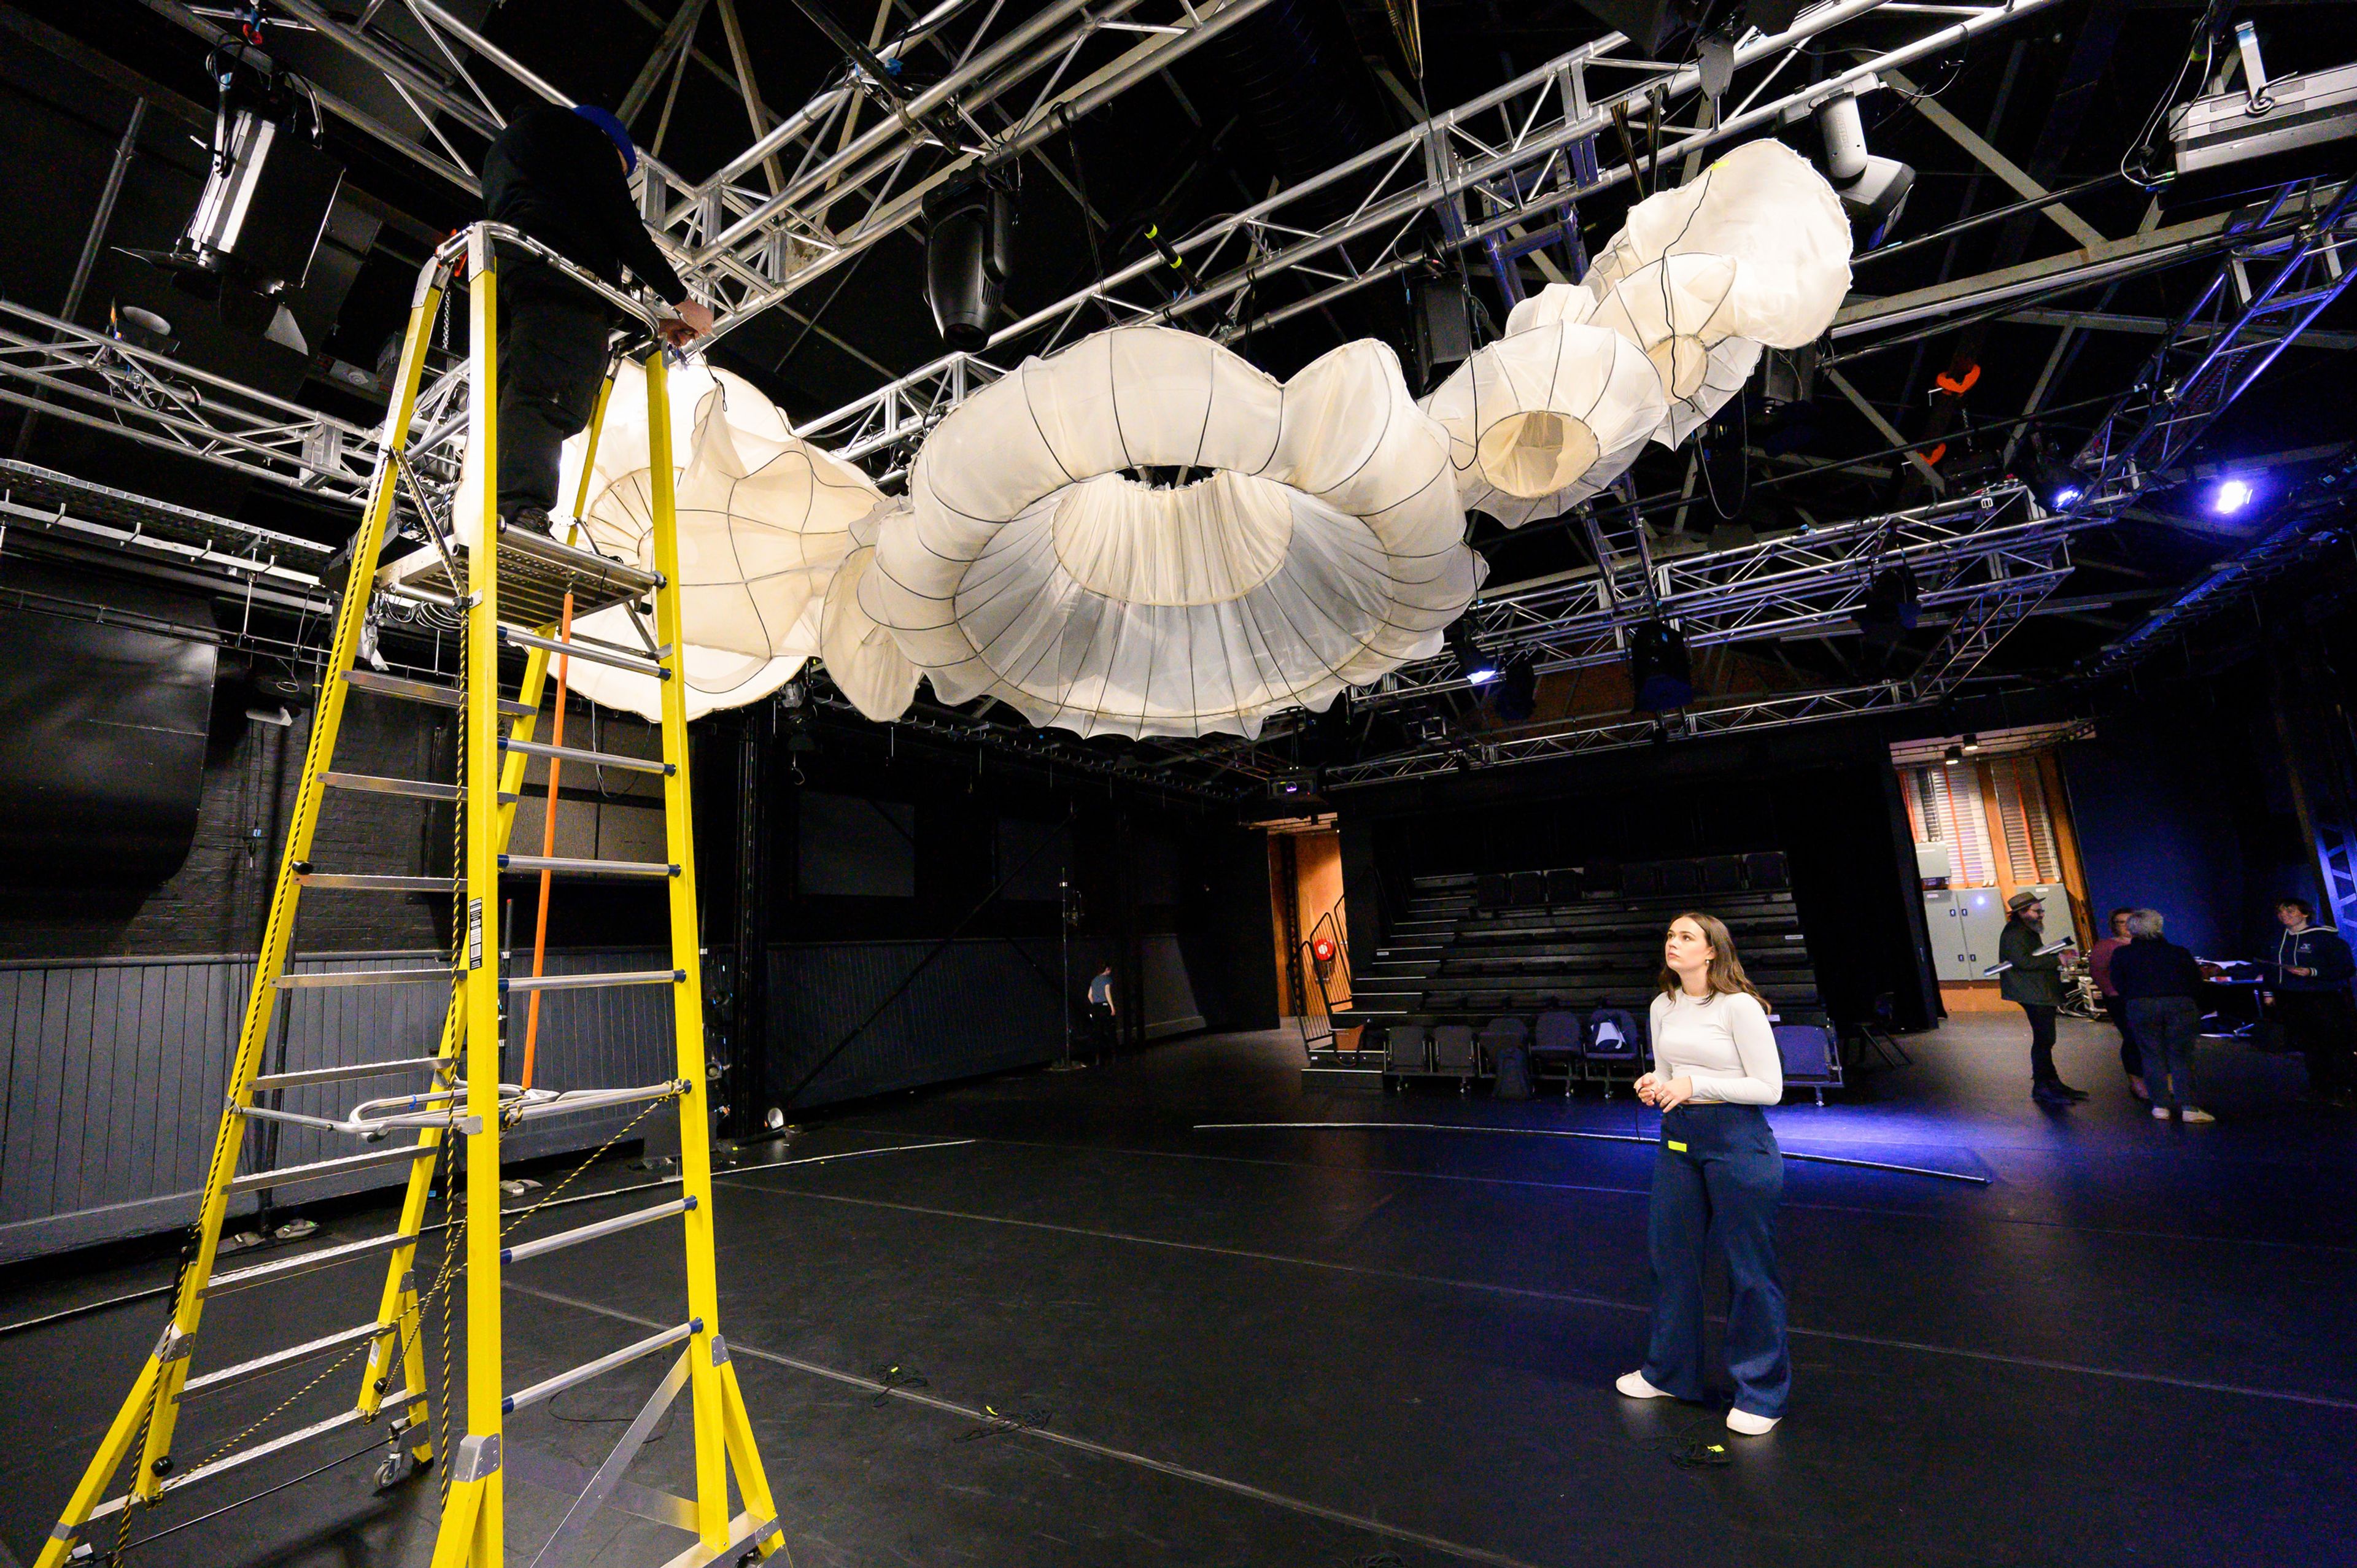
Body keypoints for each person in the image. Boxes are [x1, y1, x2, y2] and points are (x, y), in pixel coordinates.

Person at [479, 103, 716, 533]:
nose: (617, 178)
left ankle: (491, 503)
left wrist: (655, 323)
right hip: (554, 284)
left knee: (512, 391)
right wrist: (681, 299)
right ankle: (521, 510)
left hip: (515, 278)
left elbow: (581, 267)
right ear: (613, 147)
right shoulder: (586, 140)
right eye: (621, 171)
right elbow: (621, 226)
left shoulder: (522, 156)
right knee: (552, 393)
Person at [1617, 913, 1789, 1435]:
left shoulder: (1739, 1007)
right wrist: (1657, 1084)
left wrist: (1698, 1084)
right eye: (1669, 935)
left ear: (1712, 950)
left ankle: (1761, 1394)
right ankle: (1670, 1372)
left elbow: (1769, 1087)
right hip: (1680, 1140)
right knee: (1671, 1260)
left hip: (1738, 1142)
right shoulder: (1662, 1005)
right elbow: (1670, 1076)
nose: (1674, 943)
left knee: (1749, 1271)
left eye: (1686, 936)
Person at [2110, 909, 2216, 1124]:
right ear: (2159, 928)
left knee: (2151, 1056)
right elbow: (2196, 982)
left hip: (2141, 1006)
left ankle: (2160, 1107)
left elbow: (2118, 984)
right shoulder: (2179, 953)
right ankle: (2189, 1108)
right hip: (2179, 1006)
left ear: (2131, 930)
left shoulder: (2122, 954)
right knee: (2181, 1057)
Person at [2000, 891, 2084, 1106]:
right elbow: (2023, 962)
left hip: (2036, 992)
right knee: (2044, 1040)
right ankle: (2043, 1087)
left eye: (2041, 910)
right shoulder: (2016, 933)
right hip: (2032, 993)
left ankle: (2052, 1083)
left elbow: (2030, 958)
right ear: (2022, 913)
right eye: (2037, 911)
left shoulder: (2023, 930)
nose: (2041, 915)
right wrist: (2057, 959)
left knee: (2046, 1040)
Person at [2269, 897, 2356, 1105]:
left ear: (2305, 914)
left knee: (2332, 1045)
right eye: (2281, 912)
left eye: (2290, 911)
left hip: (2322, 1000)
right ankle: (2320, 1088)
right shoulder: (2278, 940)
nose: (2285, 916)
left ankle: (2343, 1089)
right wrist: (2269, 991)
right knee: (2310, 1047)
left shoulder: (2325, 939)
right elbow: (2269, 969)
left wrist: (2313, 972)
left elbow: (2346, 969)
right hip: (2293, 999)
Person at [2086, 908, 2146, 1099]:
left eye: (2129, 921)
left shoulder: (2145, 944)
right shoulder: (2106, 946)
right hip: (2120, 998)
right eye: (2121, 922)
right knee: (2132, 1038)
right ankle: (2136, 1082)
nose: (2126, 926)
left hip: (2143, 997)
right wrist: (2113, 992)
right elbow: (2098, 972)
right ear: (2114, 925)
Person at [1086, 963, 1117, 1065]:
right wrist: (1112, 1007)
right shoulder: (1107, 980)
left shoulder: (1094, 980)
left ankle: (1098, 1056)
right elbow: (1107, 993)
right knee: (1109, 1030)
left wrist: (1095, 1005)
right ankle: (1112, 1053)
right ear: (1107, 970)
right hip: (1104, 1006)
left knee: (1098, 1031)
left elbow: (1089, 995)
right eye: (1110, 970)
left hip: (1096, 1008)